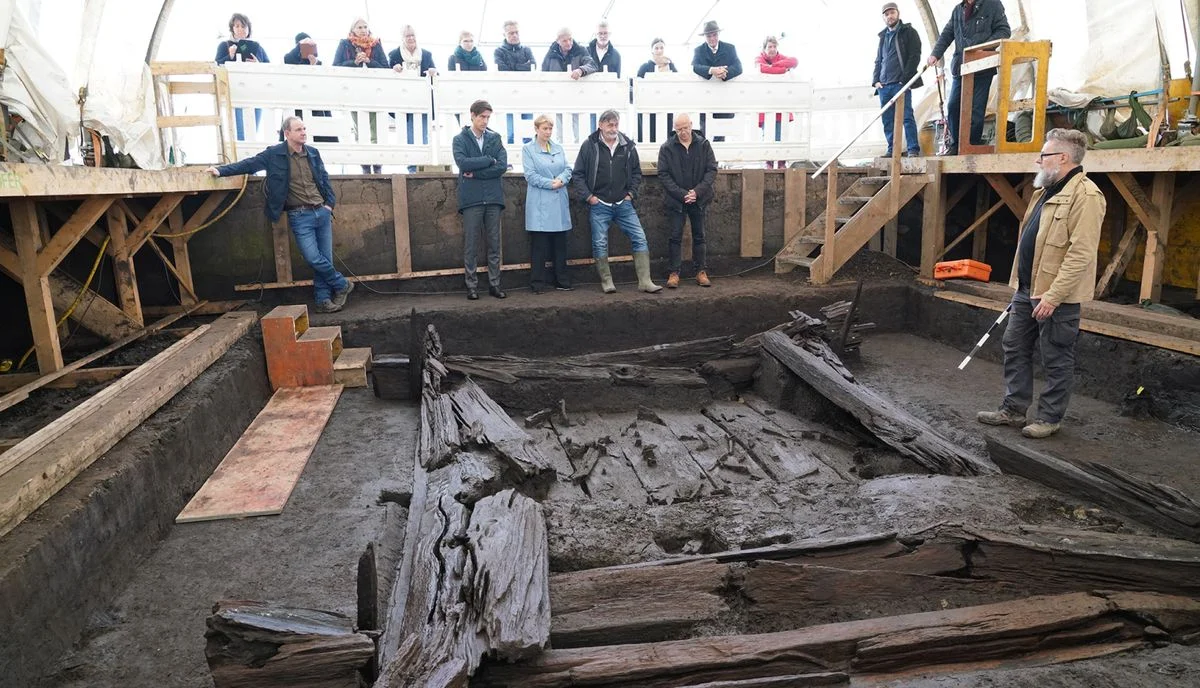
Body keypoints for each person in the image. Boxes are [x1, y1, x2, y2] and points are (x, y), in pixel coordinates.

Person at [976, 129, 1104, 439]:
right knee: (1014, 346)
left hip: (1055, 296)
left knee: (1056, 355)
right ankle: (1014, 409)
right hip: (1026, 290)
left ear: (1063, 158)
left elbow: (1081, 254)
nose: (1038, 160)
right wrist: (1022, 285)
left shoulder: (1086, 196)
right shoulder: (1043, 192)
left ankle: (1049, 418)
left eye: (1044, 155)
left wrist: (1054, 296)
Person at [205, 117, 353, 313]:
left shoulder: (313, 153)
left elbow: (324, 179)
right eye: (298, 129)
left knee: (325, 258)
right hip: (299, 215)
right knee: (313, 257)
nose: (303, 132)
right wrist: (221, 170)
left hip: (322, 211)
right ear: (287, 133)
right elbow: (250, 164)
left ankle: (323, 300)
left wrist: (329, 204)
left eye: (304, 128)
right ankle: (342, 284)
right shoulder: (274, 154)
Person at [571, 109, 661, 294]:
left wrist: (631, 194)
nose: (613, 128)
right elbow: (578, 174)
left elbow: (636, 172)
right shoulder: (589, 145)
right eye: (609, 124)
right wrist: (589, 197)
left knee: (640, 238)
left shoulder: (627, 146)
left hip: (623, 204)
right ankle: (607, 282)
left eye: (616, 124)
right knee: (599, 242)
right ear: (600, 125)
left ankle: (645, 281)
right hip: (599, 204)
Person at [927, 0, 1011, 154]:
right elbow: (947, 33)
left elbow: (1004, 31)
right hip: (961, 66)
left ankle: (972, 144)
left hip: (983, 66)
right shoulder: (958, 9)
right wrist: (935, 54)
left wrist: (981, 48)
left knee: (976, 109)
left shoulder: (992, 4)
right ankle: (956, 144)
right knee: (953, 106)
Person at [452, 100, 508, 300]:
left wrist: (475, 174)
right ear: (472, 116)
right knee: (471, 244)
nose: (485, 121)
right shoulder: (460, 139)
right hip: (472, 200)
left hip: (492, 198)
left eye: (488, 117)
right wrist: (488, 160)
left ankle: (495, 284)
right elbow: (463, 163)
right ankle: (471, 286)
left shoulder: (495, 138)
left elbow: (502, 165)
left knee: (494, 244)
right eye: (482, 117)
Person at [657, 114, 717, 288]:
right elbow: (663, 174)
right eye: (679, 129)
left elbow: (711, 170)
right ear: (674, 129)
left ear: (691, 125)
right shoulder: (667, 148)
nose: (683, 132)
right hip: (676, 201)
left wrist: (697, 192)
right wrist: (682, 194)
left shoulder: (704, 145)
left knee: (700, 236)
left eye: (685, 128)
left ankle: (701, 271)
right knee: (675, 236)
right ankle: (674, 272)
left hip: (699, 199)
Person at [522, 115, 574, 294]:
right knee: (539, 246)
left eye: (550, 129)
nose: (548, 132)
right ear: (536, 129)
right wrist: (551, 183)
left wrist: (561, 179)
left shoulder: (558, 148)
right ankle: (537, 283)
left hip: (558, 200)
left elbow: (568, 168)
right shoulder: (528, 149)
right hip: (540, 203)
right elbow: (530, 175)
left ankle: (562, 279)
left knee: (560, 244)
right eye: (545, 128)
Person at [335, 18, 389, 173]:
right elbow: (336, 65)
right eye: (359, 27)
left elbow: (385, 67)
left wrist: (369, 60)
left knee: (375, 128)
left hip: (374, 92)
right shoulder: (345, 44)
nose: (363, 29)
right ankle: (365, 164)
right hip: (354, 91)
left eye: (365, 27)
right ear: (353, 29)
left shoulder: (376, 44)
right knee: (360, 128)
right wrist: (354, 62)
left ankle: (377, 164)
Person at [874, 3, 923, 157]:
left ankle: (913, 149)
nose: (890, 16)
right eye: (886, 14)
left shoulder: (908, 32)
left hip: (900, 84)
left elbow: (915, 55)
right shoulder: (883, 37)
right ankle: (892, 149)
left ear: (898, 13)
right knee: (888, 120)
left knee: (906, 116)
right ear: (883, 17)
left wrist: (905, 80)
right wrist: (876, 80)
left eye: (892, 13)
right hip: (884, 85)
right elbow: (878, 60)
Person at [215, 13, 267, 142]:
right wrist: (230, 57)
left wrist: (257, 64)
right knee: (240, 130)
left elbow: (268, 66)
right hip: (235, 91)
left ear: (248, 29)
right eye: (237, 26)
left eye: (243, 26)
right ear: (232, 28)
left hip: (255, 91)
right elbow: (216, 65)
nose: (240, 29)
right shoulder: (224, 45)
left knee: (254, 128)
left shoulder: (257, 46)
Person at [389, 25, 436, 151]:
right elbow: (388, 75)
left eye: (412, 35)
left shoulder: (426, 54)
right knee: (408, 132)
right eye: (407, 35)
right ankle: (411, 166)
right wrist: (393, 70)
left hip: (423, 97)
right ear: (402, 38)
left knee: (424, 130)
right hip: (404, 98)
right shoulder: (394, 55)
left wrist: (433, 72)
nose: (410, 38)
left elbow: (435, 73)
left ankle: (423, 162)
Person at [692, 21, 742, 141]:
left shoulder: (730, 48)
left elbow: (739, 67)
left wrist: (725, 72)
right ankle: (704, 158)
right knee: (704, 131)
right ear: (705, 37)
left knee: (721, 131)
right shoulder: (698, 50)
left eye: (714, 35)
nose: (712, 38)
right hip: (705, 98)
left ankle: (716, 160)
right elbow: (695, 66)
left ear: (718, 34)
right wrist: (711, 70)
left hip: (724, 98)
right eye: (709, 36)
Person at [755, 35, 798, 167]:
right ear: (764, 48)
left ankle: (781, 162)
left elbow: (794, 61)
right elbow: (761, 68)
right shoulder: (759, 58)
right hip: (766, 103)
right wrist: (782, 70)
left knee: (780, 135)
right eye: (769, 47)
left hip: (781, 103)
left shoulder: (781, 57)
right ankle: (768, 162)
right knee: (767, 134)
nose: (772, 49)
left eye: (774, 46)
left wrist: (774, 65)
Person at [495, 20, 537, 144]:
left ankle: (529, 160)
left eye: (516, 32)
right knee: (510, 130)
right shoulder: (499, 51)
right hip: (508, 94)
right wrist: (523, 66)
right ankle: (509, 161)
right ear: (504, 34)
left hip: (526, 93)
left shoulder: (526, 50)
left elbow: (533, 65)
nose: (514, 35)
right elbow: (501, 67)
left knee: (528, 130)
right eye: (511, 33)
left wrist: (513, 66)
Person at [637, 38, 676, 143]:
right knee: (648, 133)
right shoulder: (645, 66)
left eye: (661, 48)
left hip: (666, 104)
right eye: (656, 48)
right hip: (648, 106)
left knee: (665, 132)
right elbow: (637, 85)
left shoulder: (671, 65)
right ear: (652, 50)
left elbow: (677, 82)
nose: (659, 50)